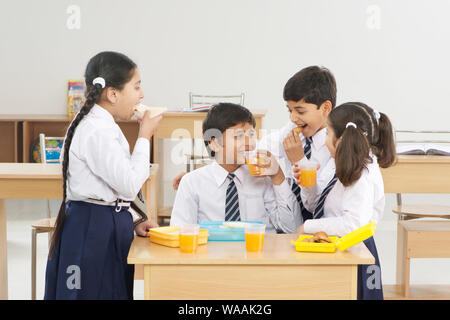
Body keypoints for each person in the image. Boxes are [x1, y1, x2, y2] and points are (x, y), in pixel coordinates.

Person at [44, 51, 162, 300]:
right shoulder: (97, 130)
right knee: (88, 291)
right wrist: (144, 137)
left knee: (109, 291)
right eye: (137, 87)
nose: (141, 95)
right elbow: (129, 184)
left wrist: (134, 220)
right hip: (93, 228)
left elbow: (111, 187)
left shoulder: (103, 125)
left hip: (104, 224)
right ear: (113, 94)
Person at [295, 102, 396, 300]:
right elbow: (316, 204)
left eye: (327, 133)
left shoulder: (363, 174)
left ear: (341, 139)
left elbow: (353, 224)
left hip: (355, 252)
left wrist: (308, 227)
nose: (324, 141)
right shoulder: (339, 162)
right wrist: (308, 183)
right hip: (337, 248)